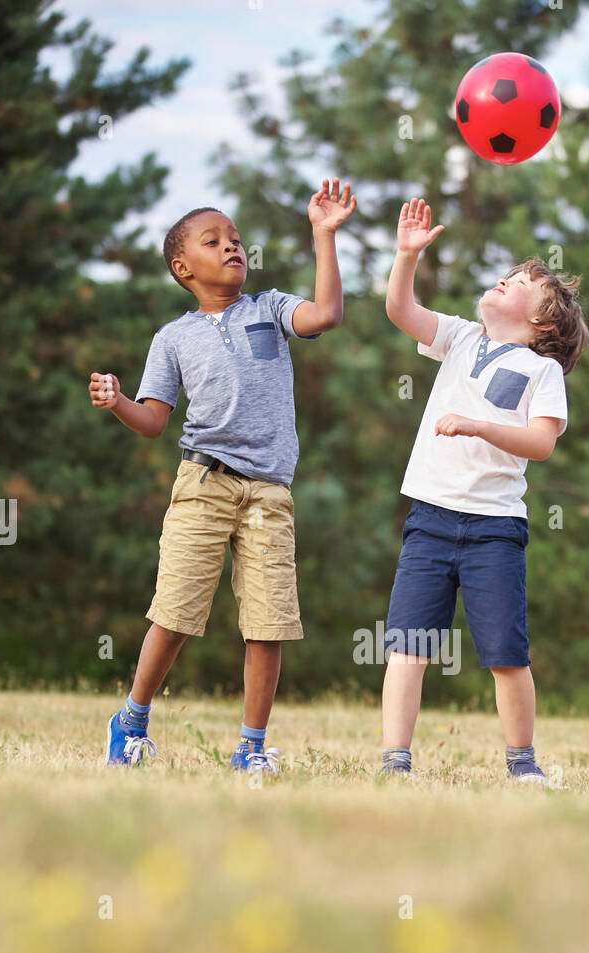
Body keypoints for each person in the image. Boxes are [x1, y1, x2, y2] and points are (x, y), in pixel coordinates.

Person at [90, 180, 356, 773]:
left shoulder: (271, 309)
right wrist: (117, 403)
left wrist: (323, 234)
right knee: (176, 612)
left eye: (235, 238)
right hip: (203, 486)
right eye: (214, 241)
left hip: (269, 493)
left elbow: (328, 314)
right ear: (184, 267)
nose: (232, 246)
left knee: (268, 622)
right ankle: (131, 721)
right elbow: (154, 420)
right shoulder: (173, 338)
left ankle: (251, 749)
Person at [381, 197, 589, 783]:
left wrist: (475, 425)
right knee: (407, 647)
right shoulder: (462, 337)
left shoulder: (542, 372)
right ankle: (396, 763)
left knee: (506, 655)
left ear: (543, 324)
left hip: (494, 528)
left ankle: (522, 766)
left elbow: (541, 443)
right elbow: (400, 310)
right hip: (430, 520)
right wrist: (405, 256)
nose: (505, 280)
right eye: (507, 275)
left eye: (521, 282)